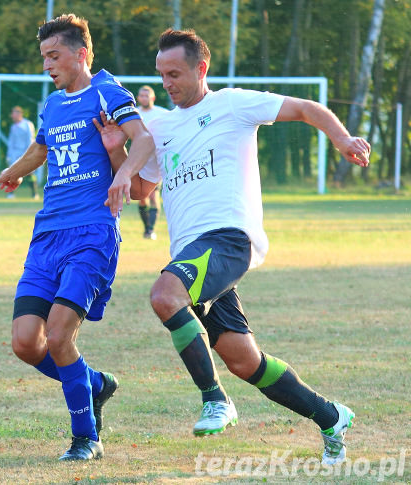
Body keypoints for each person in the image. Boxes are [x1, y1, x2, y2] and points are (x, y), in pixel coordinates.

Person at [97, 28, 370, 466]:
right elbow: (143, 191)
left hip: (228, 238)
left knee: (164, 296)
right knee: (245, 361)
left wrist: (340, 139)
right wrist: (116, 152)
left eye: (175, 73)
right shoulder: (159, 126)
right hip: (191, 253)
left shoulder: (232, 103)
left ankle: (214, 400)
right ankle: (331, 416)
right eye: (161, 75)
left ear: (201, 69)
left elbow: (305, 107)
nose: (166, 83)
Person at [0, 13, 155, 461]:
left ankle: (86, 437)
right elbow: (42, 148)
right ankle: (94, 383)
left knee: (60, 335)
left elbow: (142, 141)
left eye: (54, 55)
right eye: (44, 57)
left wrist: (123, 174)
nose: (47, 65)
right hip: (47, 235)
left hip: (92, 233)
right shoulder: (51, 104)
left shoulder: (108, 91)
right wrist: (15, 171)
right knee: (27, 343)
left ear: (80, 54)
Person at [135, 86, 170, 239]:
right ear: (138, 98)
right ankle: (146, 228)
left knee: (153, 195)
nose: (144, 98)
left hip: (155, 160)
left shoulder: (162, 114)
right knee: (141, 196)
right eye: (141, 95)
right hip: (139, 159)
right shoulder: (134, 114)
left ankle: (151, 230)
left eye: (146, 95)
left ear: (153, 98)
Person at [6, 106, 39, 199]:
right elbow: (11, 142)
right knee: (13, 173)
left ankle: (34, 194)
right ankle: (11, 193)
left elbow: (30, 139)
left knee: (30, 173)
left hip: (25, 152)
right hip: (15, 154)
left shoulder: (27, 124)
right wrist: (9, 155)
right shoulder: (13, 127)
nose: (12, 116)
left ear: (19, 114)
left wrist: (28, 154)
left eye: (13, 113)